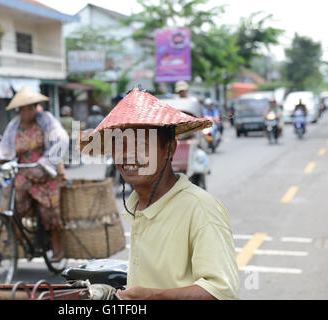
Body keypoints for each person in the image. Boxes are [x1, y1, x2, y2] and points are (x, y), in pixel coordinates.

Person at [79, 88, 239, 300]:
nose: (128, 155)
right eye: (120, 145)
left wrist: (154, 296)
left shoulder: (200, 209)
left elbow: (222, 292)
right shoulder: (140, 205)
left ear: (169, 149)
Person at [0, 87, 69, 262]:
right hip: (23, 173)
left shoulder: (46, 120)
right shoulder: (13, 126)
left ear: (36, 107)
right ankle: (20, 238)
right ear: (18, 111)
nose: (27, 112)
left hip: (45, 173)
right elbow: (3, 148)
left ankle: (56, 244)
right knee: (14, 206)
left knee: (50, 209)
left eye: (30, 108)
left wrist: (46, 162)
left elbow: (61, 138)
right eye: (23, 109)